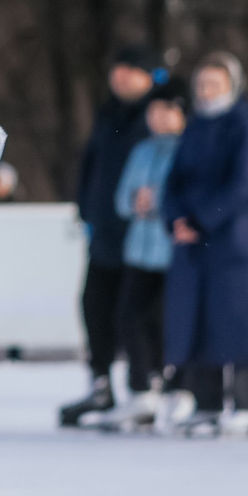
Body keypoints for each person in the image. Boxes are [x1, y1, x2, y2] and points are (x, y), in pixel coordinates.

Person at [161, 51, 248, 435]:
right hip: (193, 244)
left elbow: (242, 183)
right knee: (199, 321)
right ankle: (206, 403)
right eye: (202, 84)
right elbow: (173, 179)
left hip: (231, 240)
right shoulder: (194, 125)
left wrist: (201, 220)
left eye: (215, 84)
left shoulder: (244, 125)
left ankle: (247, 402)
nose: (206, 91)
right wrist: (175, 218)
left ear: (232, 86)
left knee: (239, 322)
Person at [60, 46, 159, 427]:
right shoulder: (107, 113)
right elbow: (91, 164)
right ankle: (101, 385)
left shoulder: (156, 115)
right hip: (103, 233)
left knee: (136, 316)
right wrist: (85, 207)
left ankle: (146, 388)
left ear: (148, 76)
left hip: (142, 238)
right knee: (94, 308)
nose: (121, 76)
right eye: (118, 69)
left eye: (131, 70)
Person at [100, 82, 188, 431]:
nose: (160, 117)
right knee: (128, 318)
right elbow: (122, 199)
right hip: (139, 252)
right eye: (155, 110)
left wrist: (159, 205)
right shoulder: (142, 151)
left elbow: (187, 196)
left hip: (174, 253)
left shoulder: (188, 149)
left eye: (168, 110)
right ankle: (141, 389)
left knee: (168, 322)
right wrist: (136, 202)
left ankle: (178, 388)